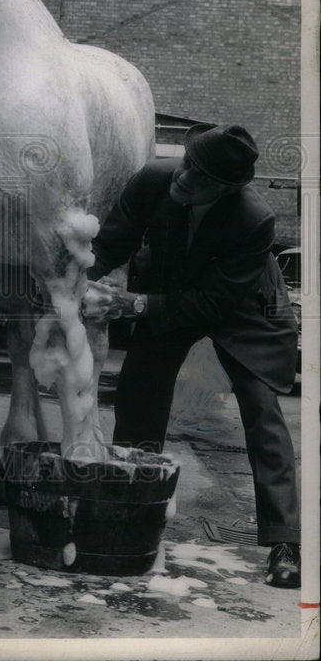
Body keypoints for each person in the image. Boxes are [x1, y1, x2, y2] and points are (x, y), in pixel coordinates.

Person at [83, 123, 301, 589]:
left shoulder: (254, 219)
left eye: (199, 177)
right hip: (169, 293)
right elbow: (110, 244)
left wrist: (135, 304)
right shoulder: (153, 180)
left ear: (226, 189)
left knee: (261, 410)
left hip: (244, 308)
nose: (184, 178)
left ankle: (286, 541)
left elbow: (212, 303)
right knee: (140, 391)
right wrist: (66, 281)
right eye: (187, 163)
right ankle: (132, 507)